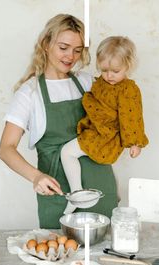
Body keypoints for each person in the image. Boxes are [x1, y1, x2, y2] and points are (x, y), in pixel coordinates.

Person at [0, 14, 118, 229]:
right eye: (63, 47)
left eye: (78, 50)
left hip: (101, 184)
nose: (70, 56)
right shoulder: (30, 92)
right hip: (59, 192)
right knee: (61, 256)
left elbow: (119, 105)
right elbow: (6, 149)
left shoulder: (87, 81)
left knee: (106, 253)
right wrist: (36, 177)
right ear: (46, 44)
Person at [61, 36, 149, 214]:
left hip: (104, 136)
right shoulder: (101, 81)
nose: (109, 76)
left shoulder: (128, 90)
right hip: (96, 130)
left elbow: (132, 116)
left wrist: (135, 143)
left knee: (67, 152)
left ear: (128, 66)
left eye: (115, 71)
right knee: (106, 167)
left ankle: (76, 194)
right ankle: (113, 196)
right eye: (104, 70)